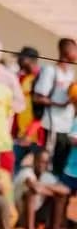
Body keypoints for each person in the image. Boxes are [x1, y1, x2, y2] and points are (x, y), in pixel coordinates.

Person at [32, 38, 77, 178]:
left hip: (67, 125)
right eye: (75, 49)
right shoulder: (50, 71)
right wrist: (60, 104)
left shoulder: (70, 72)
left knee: (62, 161)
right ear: (66, 51)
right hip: (53, 125)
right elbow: (37, 97)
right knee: (49, 161)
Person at [13, 148, 66, 229]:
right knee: (31, 194)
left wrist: (44, 186)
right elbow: (35, 188)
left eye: (45, 162)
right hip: (19, 213)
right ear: (34, 161)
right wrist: (51, 191)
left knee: (60, 197)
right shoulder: (26, 172)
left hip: (37, 212)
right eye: (40, 161)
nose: (42, 165)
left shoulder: (47, 176)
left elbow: (65, 190)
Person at [12, 46, 43, 172]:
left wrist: (29, 133)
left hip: (37, 136)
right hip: (21, 135)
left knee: (39, 169)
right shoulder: (22, 78)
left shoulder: (41, 78)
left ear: (30, 60)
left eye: (21, 58)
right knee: (13, 165)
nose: (18, 61)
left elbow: (42, 111)